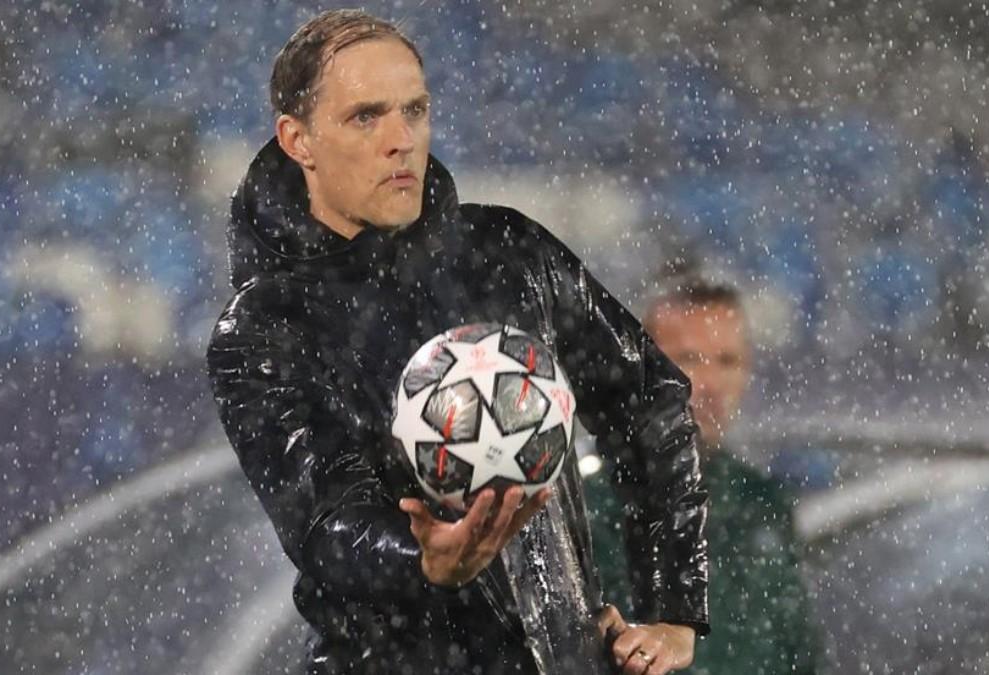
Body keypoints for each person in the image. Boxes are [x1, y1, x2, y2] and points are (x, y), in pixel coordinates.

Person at [205, 10, 709, 674]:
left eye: (415, 110)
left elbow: (648, 397)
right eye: (366, 117)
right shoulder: (263, 328)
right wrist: (422, 557)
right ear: (297, 139)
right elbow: (325, 516)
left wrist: (672, 604)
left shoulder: (509, 252)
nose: (402, 139)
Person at [585, 274, 821, 674]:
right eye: (689, 359)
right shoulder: (587, 504)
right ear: (642, 367)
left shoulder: (763, 503)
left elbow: (797, 654)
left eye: (727, 361)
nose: (710, 383)